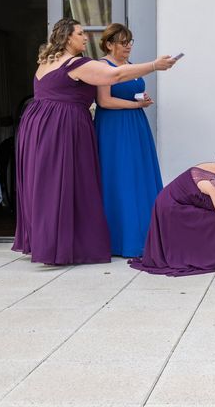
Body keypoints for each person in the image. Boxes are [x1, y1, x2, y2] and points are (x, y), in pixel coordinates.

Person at [13, 18, 175, 265]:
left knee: (44, 185)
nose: (86, 37)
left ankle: (45, 243)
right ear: (68, 37)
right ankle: (58, 247)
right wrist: (154, 65)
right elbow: (116, 74)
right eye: (80, 33)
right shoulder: (75, 64)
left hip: (36, 126)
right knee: (62, 184)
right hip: (61, 127)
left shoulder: (45, 62)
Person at [94, 23, 166, 258]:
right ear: (109, 44)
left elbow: (129, 91)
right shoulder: (102, 67)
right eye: (123, 43)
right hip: (113, 129)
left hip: (136, 125)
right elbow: (104, 101)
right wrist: (136, 104)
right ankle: (121, 240)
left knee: (138, 176)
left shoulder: (130, 66)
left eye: (130, 42)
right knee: (120, 177)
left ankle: (146, 237)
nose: (128, 47)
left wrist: (141, 99)